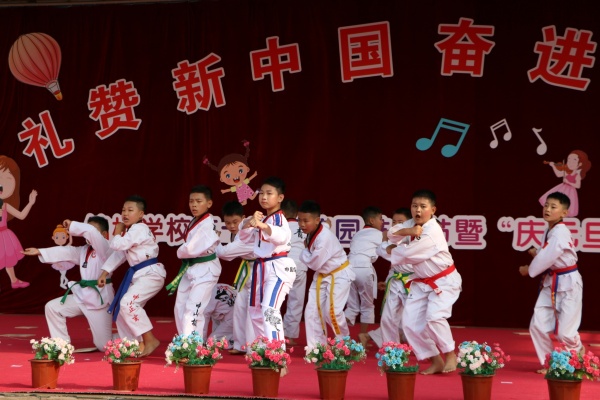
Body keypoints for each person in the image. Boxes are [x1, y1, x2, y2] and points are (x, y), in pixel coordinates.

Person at [387, 190, 461, 374]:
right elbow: (391, 232)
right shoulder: (412, 224)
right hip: (422, 282)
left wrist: (389, 249)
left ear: (433, 210)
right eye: (414, 206)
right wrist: (408, 231)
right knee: (410, 323)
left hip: (444, 281)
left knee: (434, 317)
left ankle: (450, 354)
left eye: (422, 206)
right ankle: (435, 360)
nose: (418, 210)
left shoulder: (432, 231)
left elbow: (406, 253)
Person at [22, 217, 114, 351]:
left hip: (100, 300)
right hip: (83, 296)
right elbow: (66, 251)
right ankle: (61, 346)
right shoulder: (84, 250)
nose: (87, 234)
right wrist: (40, 251)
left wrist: (72, 225)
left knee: (104, 345)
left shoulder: (105, 247)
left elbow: (91, 232)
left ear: (104, 234)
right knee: (53, 307)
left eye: (91, 230)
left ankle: (133, 339)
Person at [519, 191, 583, 372]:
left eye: (553, 207)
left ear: (564, 213)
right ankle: (551, 363)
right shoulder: (550, 230)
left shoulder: (560, 233)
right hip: (552, 282)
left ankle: (578, 353)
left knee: (565, 333)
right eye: (546, 205)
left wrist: (529, 269)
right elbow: (548, 255)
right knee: (537, 325)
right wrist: (537, 254)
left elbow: (545, 258)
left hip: (569, 283)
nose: (547, 209)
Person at [98, 195, 166, 357]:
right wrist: (105, 272)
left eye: (130, 210)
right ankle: (134, 345)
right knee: (122, 309)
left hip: (150, 274)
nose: (125, 214)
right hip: (141, 275)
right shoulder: (131, 232)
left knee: (128, 303)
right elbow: (120, 254)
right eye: (123, 210)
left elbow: (117, 245)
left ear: (141, 214)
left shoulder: (139, 229)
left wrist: (117, 232)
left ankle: (149, 339)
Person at [238, 176, 295, 342]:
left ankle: (276, 353)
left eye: (269, 193)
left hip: (278, 267)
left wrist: (261, 225)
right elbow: (243, 237)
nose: (263, 197)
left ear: (280, 197)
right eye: (261, 193)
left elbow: (282, 237)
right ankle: (263, 350)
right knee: (255, 311)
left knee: (270, 309)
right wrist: (251, 222)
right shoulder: (263, 219)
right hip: (262, 267)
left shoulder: (279, 218)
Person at [165, 185, 221, 336]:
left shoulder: (207, 224)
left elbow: (189, 249)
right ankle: (184, 341)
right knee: (180, 307)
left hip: (205, 269)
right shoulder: (196, 221)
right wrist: (184, 251)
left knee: (194, 308)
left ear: (209, 203)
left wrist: (180, 251)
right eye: (191, 201)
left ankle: (192, 345)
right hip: (192, 267)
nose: (194, 205)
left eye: (198, 201)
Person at [299, 200, 356, 348]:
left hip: (339, 274)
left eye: (306, 220)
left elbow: (314, 264)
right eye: (300, 220)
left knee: (333, 313)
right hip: (322, 275)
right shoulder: (316, 230)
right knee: (311, 312)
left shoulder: (324, 238)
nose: (302, 224)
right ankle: (317, 348)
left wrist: (304, 251)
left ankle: (345, 345)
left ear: (317, 220)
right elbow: (326, 225)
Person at [359, 208, 411, 348]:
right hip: (396, 282)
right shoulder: (392, 240)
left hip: (413, 283)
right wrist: (388, 282)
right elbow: (394, 267)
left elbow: (385, 252)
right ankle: (391, 350)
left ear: (410, 223)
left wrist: (384, 241)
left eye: (400, 222)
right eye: (394, 222)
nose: (396, 225)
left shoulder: (413, 240)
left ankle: (429, 350)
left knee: (411, 320)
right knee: (389, 317)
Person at [215, 200, 255, 354]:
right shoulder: (237, 234)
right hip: (247, 270)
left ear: (243, 219)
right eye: (227, 223)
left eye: (235, 222)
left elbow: (224, 253)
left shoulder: (248, 233)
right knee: (239, 307)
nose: (232, 226)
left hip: (259, 270)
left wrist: (215, 240)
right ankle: (240, 345)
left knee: (252, 310)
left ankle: (253, 347)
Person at [345, 206, 384, 338]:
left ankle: (338, 335)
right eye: (380, 219)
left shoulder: (357, 234)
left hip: (348, 269)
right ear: (372, 220)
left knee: (352, 306)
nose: (382, 222)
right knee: (367, 305)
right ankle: (363, 335)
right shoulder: (378, 234)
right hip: (363, 268)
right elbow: (391, 246)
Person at [0, 155, 37, 289]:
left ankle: (14, 280)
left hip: (4, 235)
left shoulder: (5, 205)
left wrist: (30, 203)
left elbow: (21, 216)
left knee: (8, 259)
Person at [281, 199, 308, 346]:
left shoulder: (280, 226)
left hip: (282, 265)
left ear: (282, 213)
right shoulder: (303, 226)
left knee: (274, 302)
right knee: (296, 302)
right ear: (297, 213)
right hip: (300, 265)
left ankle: (274, 334)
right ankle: (290, 336)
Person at [539, 150, 591, 217]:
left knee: (566, 205)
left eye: (574, 160)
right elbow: (558, 174)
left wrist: (568, 182)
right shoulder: (566, 171)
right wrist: (553, 166)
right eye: (569, 160)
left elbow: (578, 185)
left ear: (579, 164)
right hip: (562, 188)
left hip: (570, 192)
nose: (570, 162)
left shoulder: (577, 175)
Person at [203, 283, 237, 348]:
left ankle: (233, 340)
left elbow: (203, 320)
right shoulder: (217, 286)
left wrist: (202, 340)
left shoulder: (206, 295)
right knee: (215, 312)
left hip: (233, 318)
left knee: (210, 342)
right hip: (239, 314)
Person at [49, 224, 75, 289]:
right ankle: (62, 283)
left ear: (66, 237)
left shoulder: (65, 247)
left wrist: (70, 233)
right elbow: (54, 257)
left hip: (64, 262)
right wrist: (57, 263)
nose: (60, 239)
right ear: (53, 238)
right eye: (57, 237)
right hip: (59, 263)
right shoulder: (55, 249)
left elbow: (70, 242)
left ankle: (65, 281)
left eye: (63, 237)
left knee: (63, 274)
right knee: (63, 274)